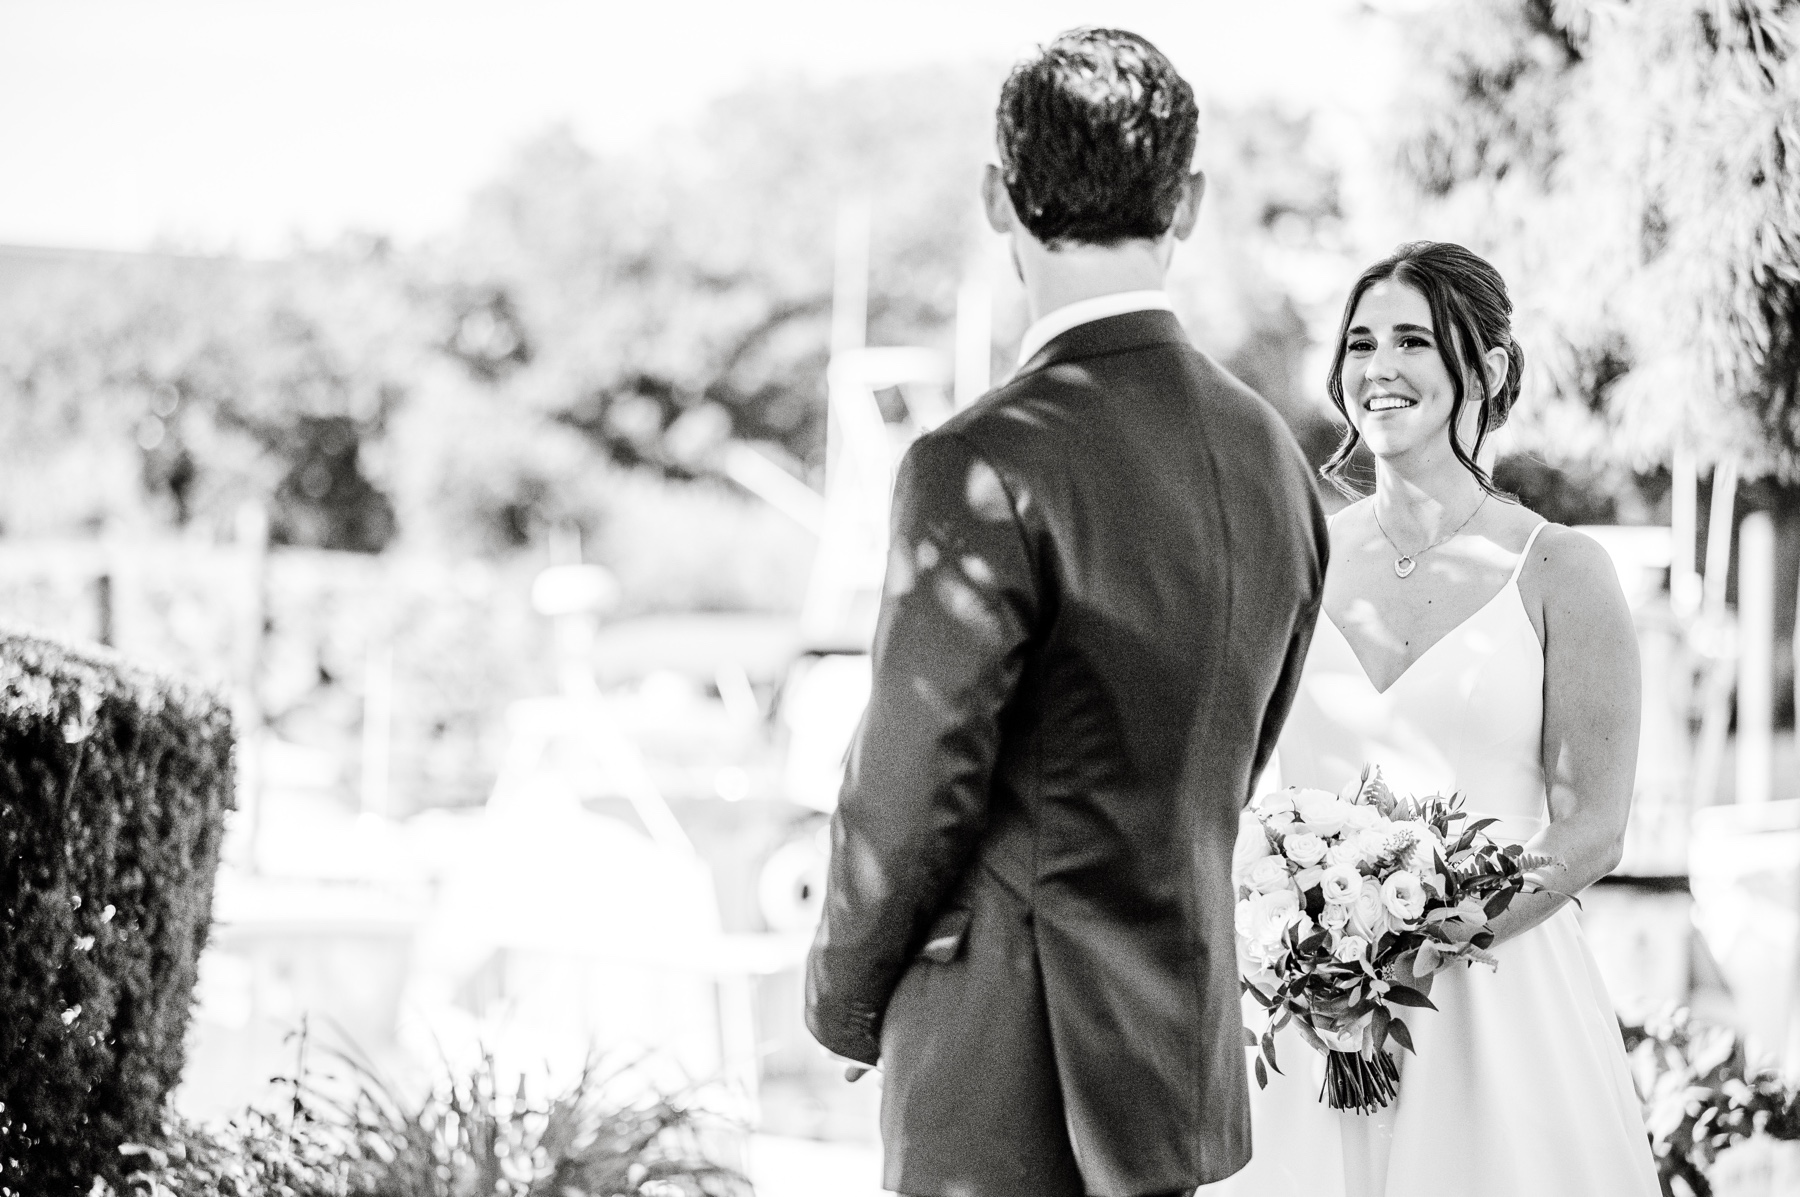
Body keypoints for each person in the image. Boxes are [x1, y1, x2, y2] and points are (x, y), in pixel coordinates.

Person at [805, 27, 1329, 1197]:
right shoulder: (1278, 463)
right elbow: (1235, 762)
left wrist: (845, 996)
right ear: (1186, 201)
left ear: (999, 195)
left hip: (1002, 1065)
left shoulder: (981, 462)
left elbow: (912, 779)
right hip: (1174, 1060)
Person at [1202, 241, 1660, 1196]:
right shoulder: (1296, 562)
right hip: (1312, 1020)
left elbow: (1592, 828)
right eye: (1362, 342)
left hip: (1501, 1012)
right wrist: (1293, 940)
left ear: (1485, 370)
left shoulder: (1561, 570)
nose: (1380, 366)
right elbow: (1227, 781)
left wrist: (1417, 946)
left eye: (1414, 340)